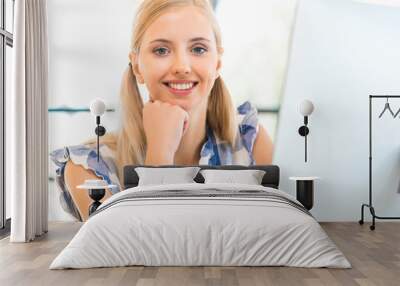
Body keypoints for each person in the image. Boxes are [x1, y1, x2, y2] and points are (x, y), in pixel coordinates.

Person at [50, 0, 273, 221]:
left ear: (217, 64)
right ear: (137, 66)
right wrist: (160, 152)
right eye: (161, 50)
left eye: (198, 49)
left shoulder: (251, 143)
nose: (182, 67)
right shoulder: (91, 169)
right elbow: (133, 251)